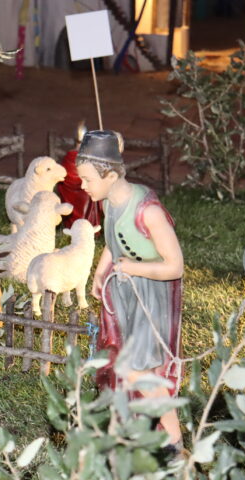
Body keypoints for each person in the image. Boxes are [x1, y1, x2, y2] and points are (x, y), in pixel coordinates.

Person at [76, 130, 184, 448]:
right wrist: (101, 272)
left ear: (110, 175)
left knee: (140, 371)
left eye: (87, 179)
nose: (83, 186)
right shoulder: (108, 203)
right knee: (125, 365)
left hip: (152, 297)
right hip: (126, 293)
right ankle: (132, 428)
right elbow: (113, 243)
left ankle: (174, 439)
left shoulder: (147, 212)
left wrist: (133, 269)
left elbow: (175, 266)